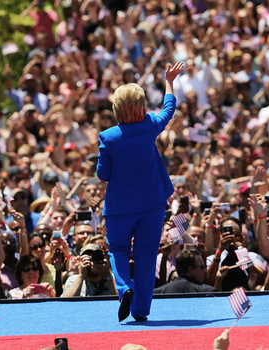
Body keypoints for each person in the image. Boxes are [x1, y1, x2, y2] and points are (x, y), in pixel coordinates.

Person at [97, 61, 184, 322]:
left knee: (118, 251)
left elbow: (103, 174)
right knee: (146, 258)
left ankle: (125, 289)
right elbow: (169, 110)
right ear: (142, 106)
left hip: (119, 208)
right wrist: (169, 81)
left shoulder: (108, 137)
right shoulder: (149, 126)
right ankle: (140, 312)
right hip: (151, 205)